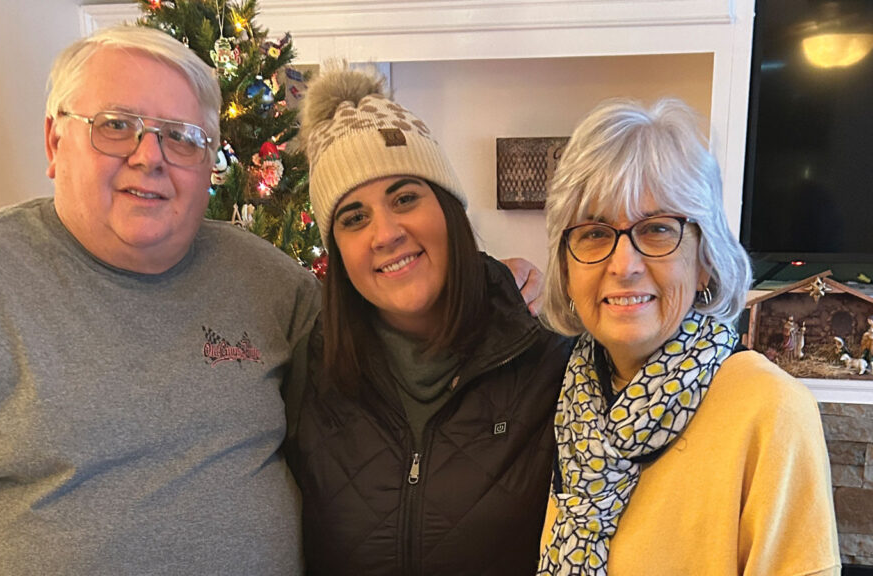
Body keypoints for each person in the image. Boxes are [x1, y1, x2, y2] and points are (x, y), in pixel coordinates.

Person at [0, 26, 323, 574]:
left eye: (183, 136)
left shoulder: (269, 282)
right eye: (117, 126)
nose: (151, 156)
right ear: (54, 142)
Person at [283, 66, 571, 575]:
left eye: (405, 198)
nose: (385, 233)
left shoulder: (550, 362)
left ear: (449, 211)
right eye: (353, 218)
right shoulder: (309, 371)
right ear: (338, 253)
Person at [536, 98, 840, 575]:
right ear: (566, 267)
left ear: (704, 261)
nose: (624, 264)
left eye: (658, 229)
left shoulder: (769, 409)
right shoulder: (572, 397)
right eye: (594, 232)